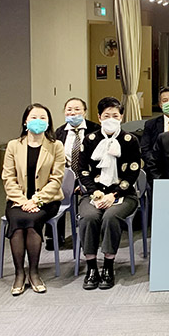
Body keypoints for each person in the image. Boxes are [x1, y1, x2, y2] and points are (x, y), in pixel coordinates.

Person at [78, 97, 142, 290]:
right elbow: (83, 171)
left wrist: (113, 194)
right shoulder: (90, 140)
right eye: (107, 116)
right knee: (89, 217)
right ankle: (91, 267)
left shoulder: (130, 140)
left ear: (121, 117)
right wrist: (95, 192)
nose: (111, 119)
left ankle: (108, 265)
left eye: (115, 115)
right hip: (94, 194)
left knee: (110, 217)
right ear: (99, 117)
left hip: (123, 194)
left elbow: (133, 171)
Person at [2, 103, 64, 295]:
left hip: (47, 200)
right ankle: (19, 273)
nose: (38, 121)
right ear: (25, 121)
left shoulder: (56, 146)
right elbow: (8, 178)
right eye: (34, 117)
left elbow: (56, 179)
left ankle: (34, 273)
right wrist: (23, 201)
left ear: (49, 122)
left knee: (31, 221)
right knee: (18, 222)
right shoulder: (13, 145)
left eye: (43, 118)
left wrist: (36, 200)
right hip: (18, 200)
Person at [50, 97, 98, 250]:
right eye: (69, 109)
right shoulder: (59, 132)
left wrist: (84, 181)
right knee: (55, 193)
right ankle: (54, 237)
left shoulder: (95, 129)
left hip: (90, 175)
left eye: (77, 109)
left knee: (89, 201)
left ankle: (88, 236)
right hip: (66, 175)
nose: (73, 113)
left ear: (85, 112)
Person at [140, 87, 169, 166]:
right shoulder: (151, 124)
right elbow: (145, 149)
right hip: (156, 166)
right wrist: (155, 162)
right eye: (165, 100)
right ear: (160, 104)